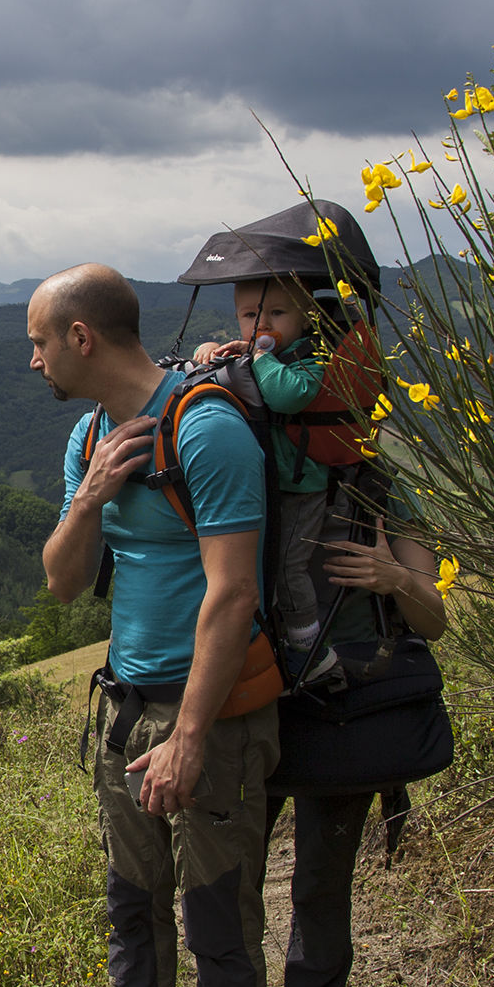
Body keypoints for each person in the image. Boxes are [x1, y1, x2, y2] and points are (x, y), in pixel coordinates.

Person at [29, 262, 278, 987]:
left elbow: (233, 592)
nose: (33, 359)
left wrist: (190, 736)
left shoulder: (207, 430)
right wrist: (91, 493)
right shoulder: (92, 438)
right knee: (132, 910)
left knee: (217, 918)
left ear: (81, 339)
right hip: (125, 710)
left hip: (207, 720)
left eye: (40, 341)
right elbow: (60, 583)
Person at [266, 471, 449, 987]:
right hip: (255, 698)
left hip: (346, 706)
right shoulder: (246, 451)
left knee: (318, 877)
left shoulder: (379, 486)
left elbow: (433, 620)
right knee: (243, 880)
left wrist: (395, 579)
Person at [192, 276, 338, 686]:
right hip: (267, 483)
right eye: (250, 315)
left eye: (277, 313)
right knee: (259, 567)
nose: (262, 323)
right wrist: (211, 353)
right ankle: (270, 638)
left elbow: (288, 396)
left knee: (290, 568)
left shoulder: (310, 357)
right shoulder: (261, 353)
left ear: (306, 319)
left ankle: (309, 648)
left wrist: (257, 356)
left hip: (301, 485)